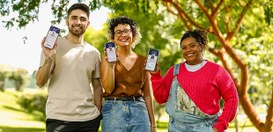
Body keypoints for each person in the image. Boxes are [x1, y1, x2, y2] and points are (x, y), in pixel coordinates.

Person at [150, 29, 239, 132]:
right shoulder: (174, 71)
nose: (188, 50)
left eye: (192, 46)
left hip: (206, 128)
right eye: (184, 47)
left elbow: (232, 99)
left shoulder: (217, 71)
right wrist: (155, 75)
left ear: (202, 46)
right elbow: (161, 98)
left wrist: (220, 126)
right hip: (176, 128)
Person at [36, 3, 102, 132]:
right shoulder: (53, 46)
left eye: (83, 19)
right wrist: (49, 58)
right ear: (67, 21)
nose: (78, 22)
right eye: (74, 18)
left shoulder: (94, 53)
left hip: (89, 120)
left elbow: (97, 86)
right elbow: (39, 82)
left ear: (88, 24)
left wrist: (98, 113)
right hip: (59, 118)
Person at [100, 16, 156, 132]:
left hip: (139, 111)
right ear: (113, 37)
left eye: (126, 31)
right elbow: (108, 89)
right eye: (118, 32)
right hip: (113, 111)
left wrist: (153, 124)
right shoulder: (107, 58)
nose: (123, 35)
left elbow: (148, 94)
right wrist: (111, 66)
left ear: (133, 34)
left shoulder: (143, 61)